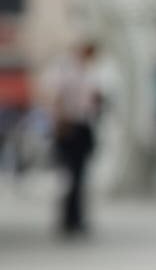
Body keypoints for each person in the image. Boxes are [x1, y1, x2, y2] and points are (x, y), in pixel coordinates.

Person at [49, 42, 104, 237]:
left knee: (79, 177)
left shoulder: (90, 73)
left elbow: (93, 100)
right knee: (71, 177)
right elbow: (58, 98)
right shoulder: (67, 71)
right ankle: (69, 218)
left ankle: (76, 218)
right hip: (70, 126)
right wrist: (60, 123)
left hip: (83, 126)